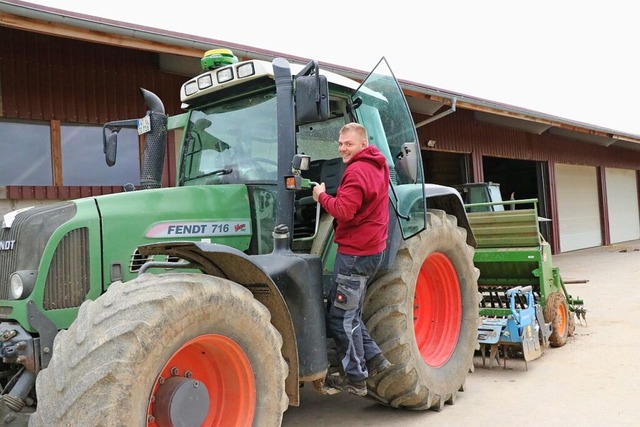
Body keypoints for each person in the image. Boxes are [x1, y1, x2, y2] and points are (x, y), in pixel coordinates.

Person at [312, 122, 392, 396]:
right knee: (351, 312)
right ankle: (376, 359)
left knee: (340, 317)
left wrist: (321, 196)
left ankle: (356, 378)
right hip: (371, 250)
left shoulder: (357, 171)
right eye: (340, 143)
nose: (342, 148)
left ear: (362, 144)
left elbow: (344, 211)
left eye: (348, 144)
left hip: (355, 253)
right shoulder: (377, 165)